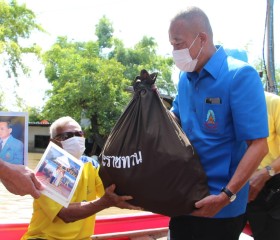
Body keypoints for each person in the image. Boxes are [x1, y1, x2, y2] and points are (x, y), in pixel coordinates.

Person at [168, 6, 268, 240]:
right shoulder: (185, 78)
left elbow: (259, 145)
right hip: (183, 198)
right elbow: (176, 118)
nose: (174, 51)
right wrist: (150, 107)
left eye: (178, 43)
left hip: (220, 206)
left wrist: (226, 195)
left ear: (201, 38)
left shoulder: (239, 76)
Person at [21, 116, 141, 240]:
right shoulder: (48, 169)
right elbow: (65, 214)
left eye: (79, 134)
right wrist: (105, 202)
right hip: (45, 238)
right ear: (54, 142)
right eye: (68, 136)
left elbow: (112, 194)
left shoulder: (91, 165)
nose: (76, 138)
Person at [246, 91, 280, 240]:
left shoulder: (272, 103)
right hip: (239, 184)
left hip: (271, 183)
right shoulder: (222, 103)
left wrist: (265, 174)